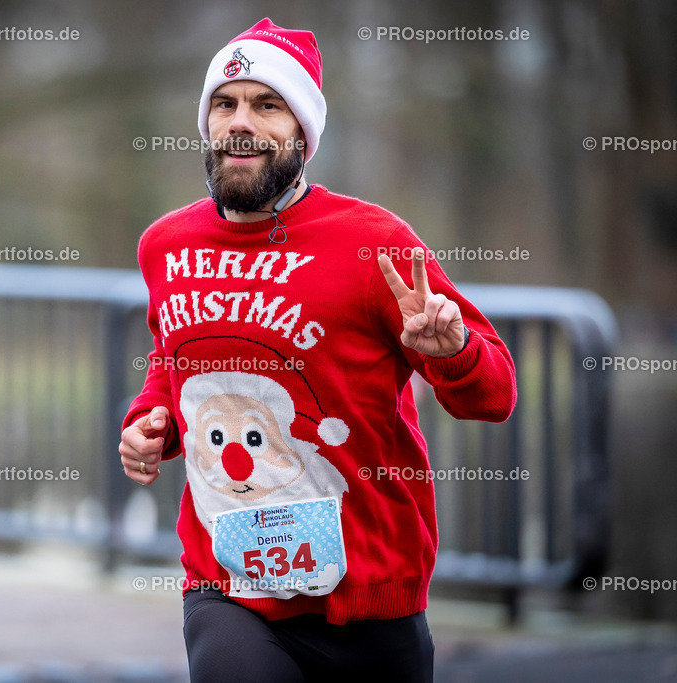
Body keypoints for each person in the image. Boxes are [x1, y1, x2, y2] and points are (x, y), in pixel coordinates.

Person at [118, 17, 516, 682]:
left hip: (371, 596)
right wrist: (147, 423)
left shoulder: (374, 243)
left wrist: (451, 351)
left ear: (303, 131)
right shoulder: (165, 245)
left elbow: (494, 394)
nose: (240, 122)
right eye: (226, 103)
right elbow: (176, 359)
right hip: (228, 586)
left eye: (267, 104)